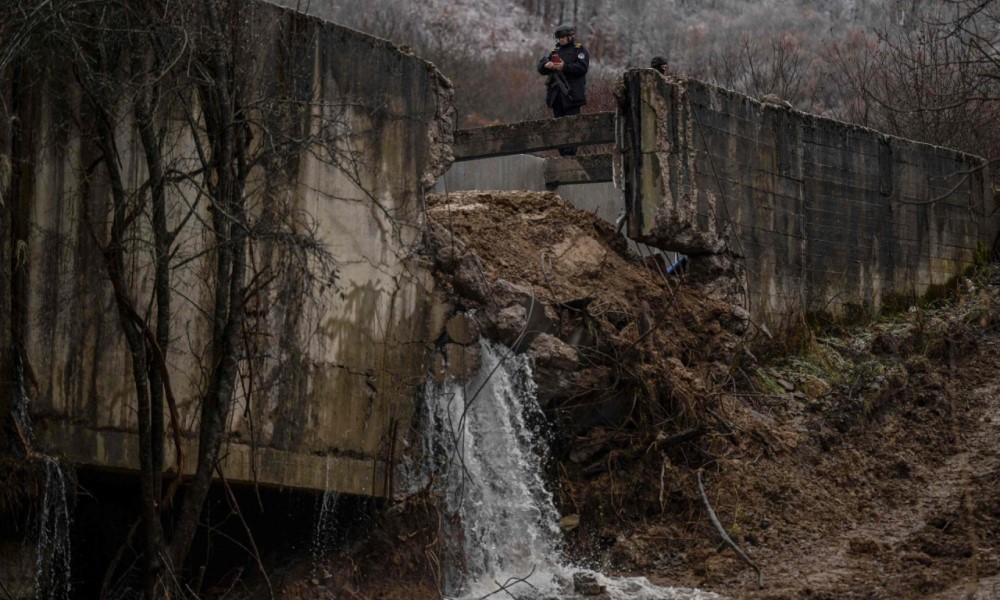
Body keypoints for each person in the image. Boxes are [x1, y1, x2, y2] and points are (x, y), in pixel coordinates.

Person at [537, 24, 589, 156]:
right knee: (558, 127)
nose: (560, 40)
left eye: (563, 37)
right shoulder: (556, 51)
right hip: (557, 96)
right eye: (559, 38)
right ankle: (562, 154)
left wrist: (564, 67)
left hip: (571, 95)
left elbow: (582, 68)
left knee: (571, 126)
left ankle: (570, 154)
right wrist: (546, 65)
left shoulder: (579, 50)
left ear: (570, 36)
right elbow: (541, 67)